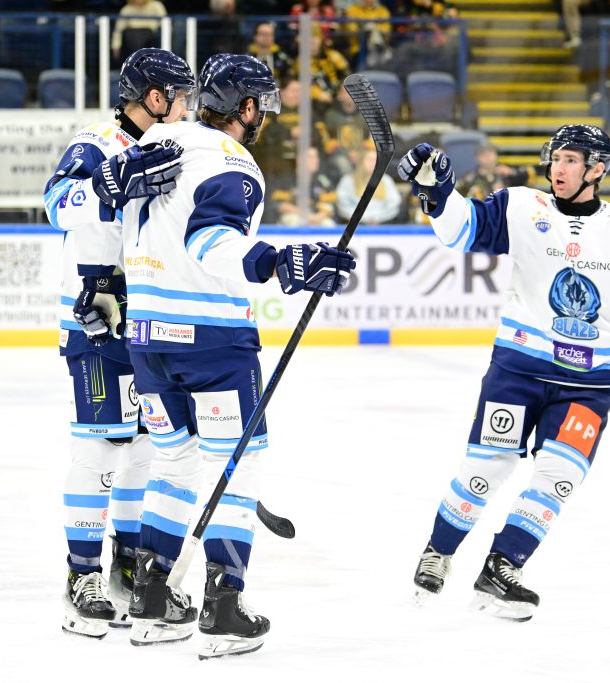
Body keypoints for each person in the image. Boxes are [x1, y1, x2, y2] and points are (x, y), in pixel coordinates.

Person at [107, 53, 356, 657]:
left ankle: (152, 597)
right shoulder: (231, 161)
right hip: (212, 342)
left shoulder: (158, 141)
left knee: (175, 466)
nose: (264, 118)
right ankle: (223, 603)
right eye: (262, 106)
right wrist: (281, 263)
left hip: (147, 337)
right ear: (245, 107)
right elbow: (211, 241)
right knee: (236, 467)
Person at [397, 125, 610, 619]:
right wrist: (437, 191)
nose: (559, 167)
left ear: (598, 169)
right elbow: (459, 228)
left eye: (573, 160)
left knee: (559, 477)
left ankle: (502, 568)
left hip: (590, 384)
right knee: (485, 470)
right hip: (518, 370)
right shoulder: (521, 206)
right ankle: (439, 550)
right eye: (556, 157)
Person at [43, 48, 196, 639]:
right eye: (179, 97)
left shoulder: (172, 150)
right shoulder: (96, 144)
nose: (187, 108)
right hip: (95, 322)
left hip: (143, 320)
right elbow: (56, 206)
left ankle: (128, 564)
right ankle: (81, 576)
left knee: (144, 448)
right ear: (154, 98)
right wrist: (107, 184)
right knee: (100, 449)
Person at [335, 142, 402, 223]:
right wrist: (364, 219)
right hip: (354, 226)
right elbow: (342, 205)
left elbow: (394, 205)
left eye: (376, 160)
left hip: (383, 225)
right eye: (370, 160)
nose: (374, 163)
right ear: (361, 161)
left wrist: (377, 218)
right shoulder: (347, 180)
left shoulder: (387, 180)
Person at [456, 143, 534, 201]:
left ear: (496, 155)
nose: (488, 156)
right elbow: (456, 194)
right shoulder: (470, 178)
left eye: (490, 152)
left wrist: (511, 172)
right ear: (477, 158)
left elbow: (529, 176)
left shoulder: (505, 172)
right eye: (483, 154)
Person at [111, 0, 167, 65]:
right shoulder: (126, 9)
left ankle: (137, 62)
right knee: (131, 34)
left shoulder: (156, 5)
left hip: (152, 38)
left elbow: (165, 23)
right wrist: (116, 47)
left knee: (143, 34)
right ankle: (136, 63)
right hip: (132, 40)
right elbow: (118, 30)